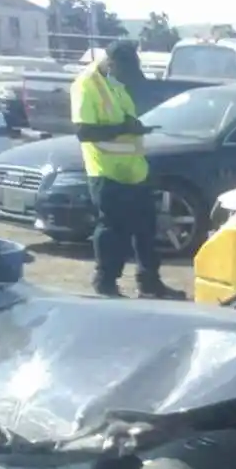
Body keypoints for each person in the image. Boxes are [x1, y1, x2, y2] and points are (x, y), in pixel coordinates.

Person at [70, 42, 184, 300]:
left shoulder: (117, 83)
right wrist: (125, 129)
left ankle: (149, 284)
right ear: (111, 64)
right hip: (106, 172)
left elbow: (124, 120)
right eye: (125, 71)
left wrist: (136, 127)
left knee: (146, 228)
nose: (129, 79)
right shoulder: (86, 84)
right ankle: (106, 283)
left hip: (135, 170)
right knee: (112, 231)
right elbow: (83, 131)